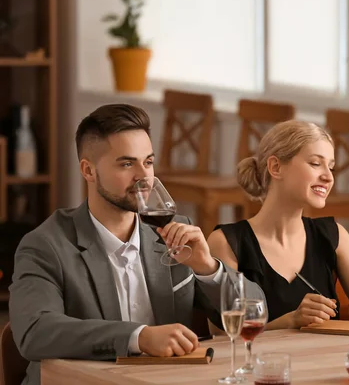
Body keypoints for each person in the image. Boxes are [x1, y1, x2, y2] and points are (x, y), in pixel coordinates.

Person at [9, 104, 264, 385]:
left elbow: (256, 310)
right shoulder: (46, 245)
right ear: (88, 170)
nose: (144, 176)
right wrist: (138, 337)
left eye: (149, 162)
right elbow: (34, 331)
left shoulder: (173, 232)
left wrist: (208, 268)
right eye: (127, 163)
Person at [208, 120, 349, 330]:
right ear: (276, 167)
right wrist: (290, 320)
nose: (328, 177)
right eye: (315, 163)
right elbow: (222, 332)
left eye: (331, 167)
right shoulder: (226, 244)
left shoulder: (335, 236)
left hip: (325, 365)